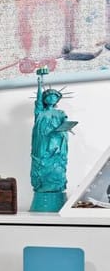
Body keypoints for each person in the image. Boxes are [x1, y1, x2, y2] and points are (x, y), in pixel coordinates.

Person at [30, 67, 77, 208]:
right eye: (48, 96)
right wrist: (40, 83)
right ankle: (42, 186)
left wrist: (65, 128)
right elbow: (38, 100)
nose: (51, 98)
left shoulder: (60, 113)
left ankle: (56, 188)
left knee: (57, 166)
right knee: (41, 165)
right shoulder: (40, 112)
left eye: (54, 96)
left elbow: (64, 124)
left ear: (57, 99)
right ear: (44, 99)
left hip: (57, 143)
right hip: (42, 142)